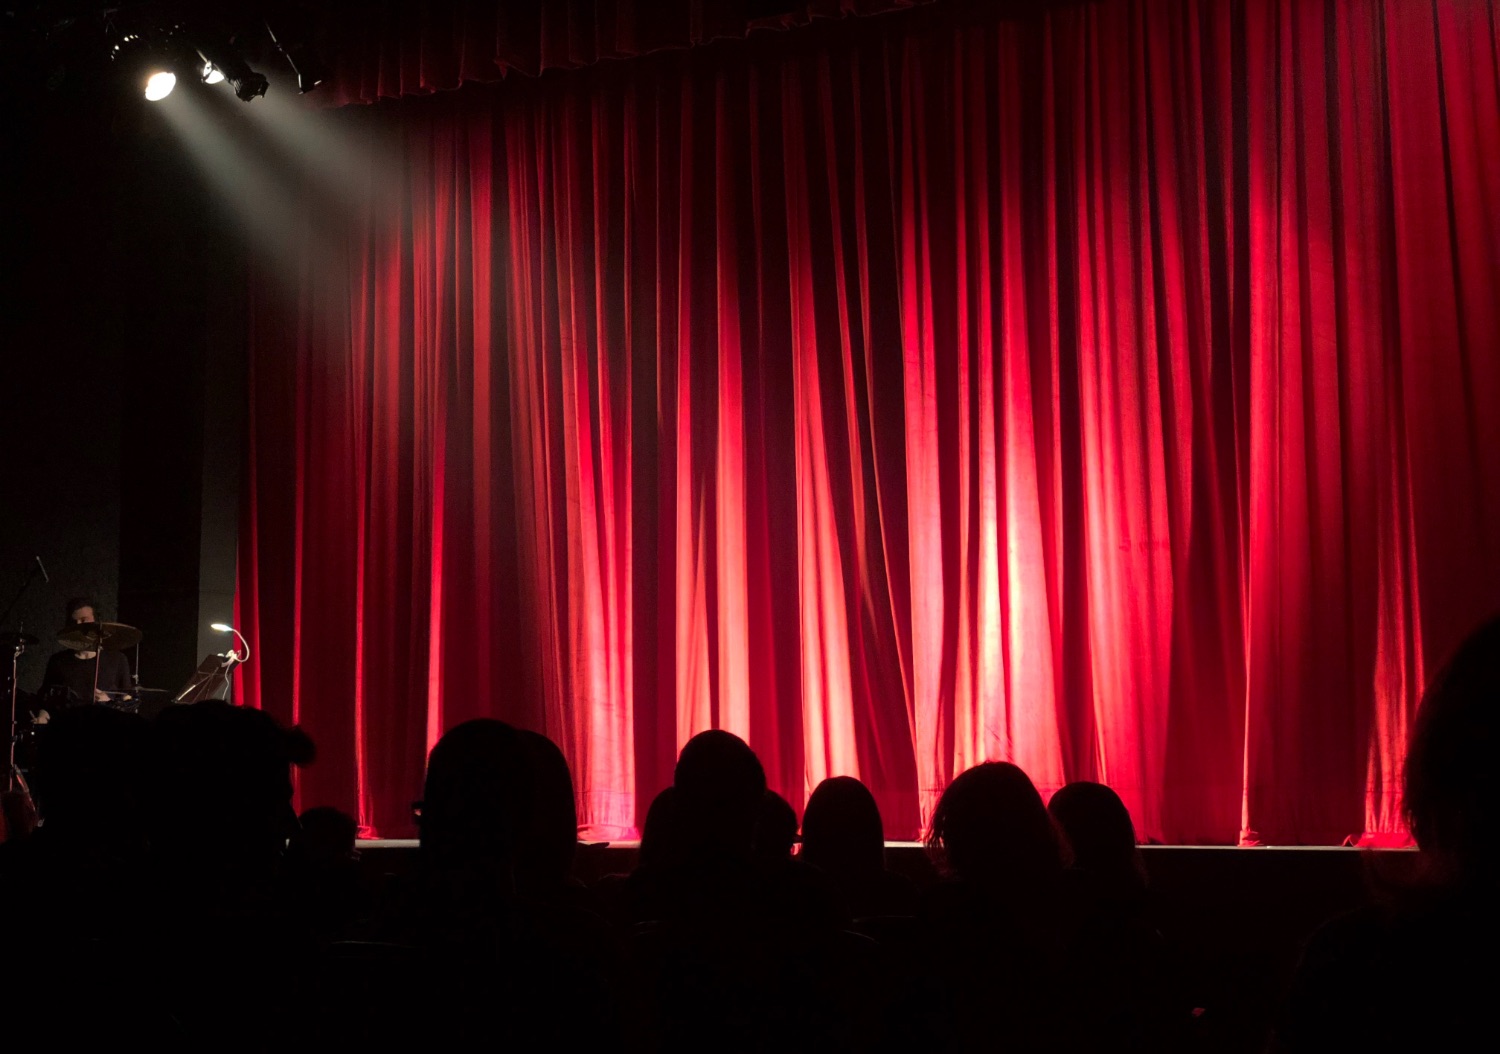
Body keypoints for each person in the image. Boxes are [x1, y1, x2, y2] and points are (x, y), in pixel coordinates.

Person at [39, 597, 132, 711]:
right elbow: (45, 698)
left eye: (83, 620)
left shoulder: (118, 659)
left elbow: (128, 699)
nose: (78, 626)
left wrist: (109, 702)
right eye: (74, 622)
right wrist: (43, 713)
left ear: (96, 622)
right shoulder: (58, 661)